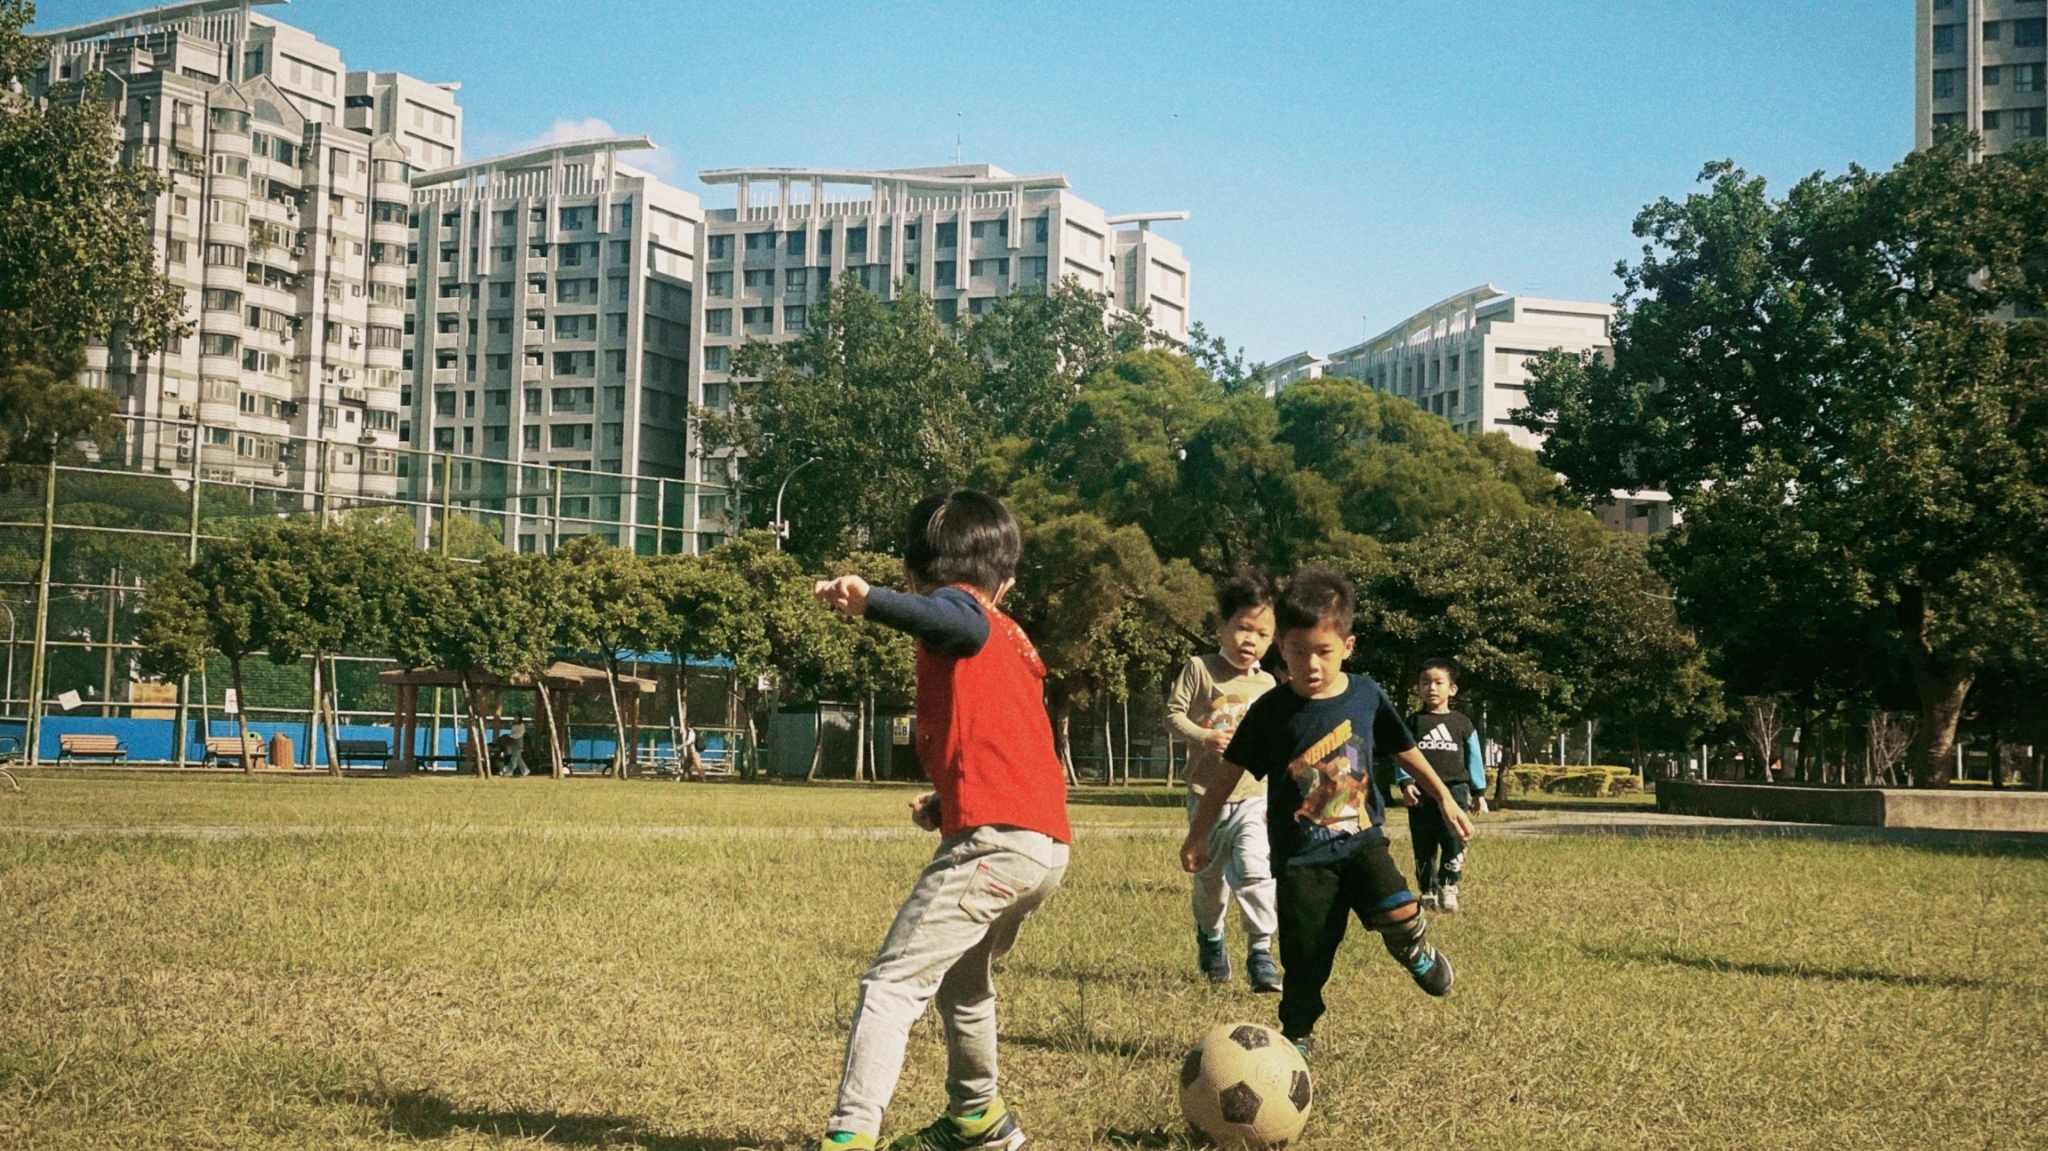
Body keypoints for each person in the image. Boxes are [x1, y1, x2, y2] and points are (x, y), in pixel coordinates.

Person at [811, 489, 1069, 1151]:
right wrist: (948, 800)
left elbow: (954, 618)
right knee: (964, 980)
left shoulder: (964, 613)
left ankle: (850, 1134)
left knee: (892, 983)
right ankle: (979, 1116)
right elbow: (1004, 742)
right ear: (1006, 580)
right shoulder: (1010, 637)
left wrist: (871, 601)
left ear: (911, 574)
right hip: (1040, 845)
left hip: (996, 846)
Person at [1180, 565, 1474, 1060]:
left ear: (1348, 646)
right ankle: (1296, 1036)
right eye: (1298, 652)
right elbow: (1228, 773)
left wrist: (1444, 797)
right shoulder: (1271, 711)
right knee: (1305, 957)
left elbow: (1403, 748)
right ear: (1281, 648)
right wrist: (1198, 833)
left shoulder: (1366, 695)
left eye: (1324, 651)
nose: (1311, 665)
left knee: (1400, 909)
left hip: (1361, 841)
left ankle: (1413, 948)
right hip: (1301, 859)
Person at [1167, 572, 1281, 991]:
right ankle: (1211, 938)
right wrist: (1205, 736)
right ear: (1222, 628)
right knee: (1211, 883)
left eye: (1262, 634)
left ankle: (1260, 952)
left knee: (1255, 870)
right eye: (1243, 628)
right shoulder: (1200, 668)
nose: (1251, 640)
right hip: (1206, 797)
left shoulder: (1268, 683)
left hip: (1253, 796)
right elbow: (1173, 715)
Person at [1397, 659, 1484, 913]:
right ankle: (1428, 890)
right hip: (1421, 794)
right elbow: (1402, 753)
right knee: (1423, 843)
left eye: (1438, 682)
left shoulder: (1462, 723)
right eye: (1425, 683)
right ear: (1418, 689)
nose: (1431, 688)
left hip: (1456, 792)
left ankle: (1449, 886)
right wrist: (1406, 782)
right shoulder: (1413, 722)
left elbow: (1474, 758)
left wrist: (1478, 792)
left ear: (1452, 689)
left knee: (1454, 839)